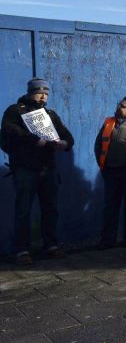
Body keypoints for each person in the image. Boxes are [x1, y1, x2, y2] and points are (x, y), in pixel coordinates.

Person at [1, 78, 74, 265]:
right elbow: (8, 131)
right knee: (23, 210)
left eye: (46, 94)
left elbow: (67, 136)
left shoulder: (50, 114)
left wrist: (65, 144)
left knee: (50, 209)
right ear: (30, 92)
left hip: (48, 168)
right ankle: (22, 250)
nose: (43, 97)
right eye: (39, 93)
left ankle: (51, 246)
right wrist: (32, 139)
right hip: (25, 169)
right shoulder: (15, 111)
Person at [93, 96, 126, 249]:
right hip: (111, 172)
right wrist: (103, 167)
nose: (118, 107)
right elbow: (98, 145)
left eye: (122, 105)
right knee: (110, 207)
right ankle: (107, 240)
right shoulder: (109, 122)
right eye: (119, 104)